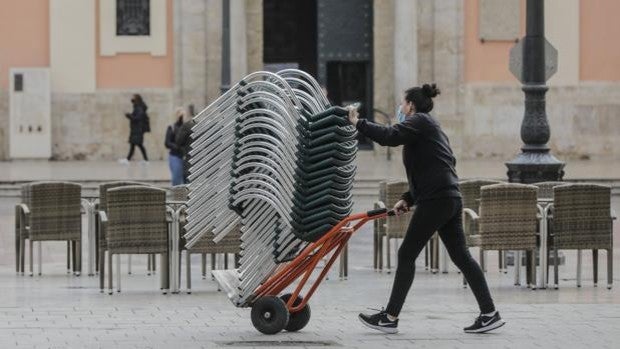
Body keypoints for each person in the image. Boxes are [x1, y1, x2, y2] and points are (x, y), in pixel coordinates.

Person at [350, 84, 504, 334]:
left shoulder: (419, 121)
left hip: (437, 200)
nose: (400, 108)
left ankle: (390, 317)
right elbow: (435, 166)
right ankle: (489, 313)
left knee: (406, 254)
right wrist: (409, 198)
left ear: (411, 105)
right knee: (461, 256)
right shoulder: (429, 128)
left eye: (402, 103)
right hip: (448, 197)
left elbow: (389, 136)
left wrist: (359, 123)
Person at [119, 94, 149, 164]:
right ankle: (144, 160)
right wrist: (129, 115)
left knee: (138, 144)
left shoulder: (139, 108)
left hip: (138, 129)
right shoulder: (137, 107)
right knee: (135, 144)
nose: (132, 99)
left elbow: (137, 118)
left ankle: (129, 159)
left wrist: (129, 115)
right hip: (136, 129)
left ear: (137, 99)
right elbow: (135, 117)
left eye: (133, 98)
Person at [175, 108, 196, 184]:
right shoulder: (203, 125)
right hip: (203, 162)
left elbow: (178, 141)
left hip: (190, 160)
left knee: (187, 186)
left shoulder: (186, 126)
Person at [165, 107, 185, 185]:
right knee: (176, 180)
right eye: (180, 115)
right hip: (175, 156)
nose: (181, 117)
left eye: (183, 115)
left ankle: (183, 196)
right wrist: (177, 147)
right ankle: (176, 196)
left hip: (185, 157)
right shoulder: (172, 127)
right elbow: (167, 143)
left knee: (185, 180)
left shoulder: (186, 127)